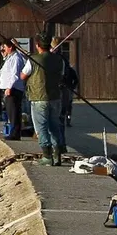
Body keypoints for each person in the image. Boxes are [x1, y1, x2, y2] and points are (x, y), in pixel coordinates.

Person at [24, 34, 66, 165]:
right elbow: (62, 74)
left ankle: (47, 156)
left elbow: (22, 75)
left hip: (38, 97)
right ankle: (58, 154)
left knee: (41, 126)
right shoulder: (60, 60)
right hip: (55, 97)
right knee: (55, 125)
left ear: (37, 45)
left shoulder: (33, 59)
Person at [0, 41, 28, 140]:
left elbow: (15, 75)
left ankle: (15, 134)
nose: (4, 49)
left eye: (5, 47)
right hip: (9, 89)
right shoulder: (9, 58)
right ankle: (13, 132)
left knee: (14, 112)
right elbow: (2, 72)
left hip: (14, 89)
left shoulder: (16, 58)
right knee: (10, 112)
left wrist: (9, 87)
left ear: (10, 47)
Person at [57, 41, 78, 128]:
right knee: (65, 106)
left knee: (67, 106)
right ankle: (63, 120)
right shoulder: (60, 60)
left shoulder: (70, 70)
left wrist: (72, 87)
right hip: (63, 87)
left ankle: (67, 120)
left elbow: (76, 80)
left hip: (67, 88)